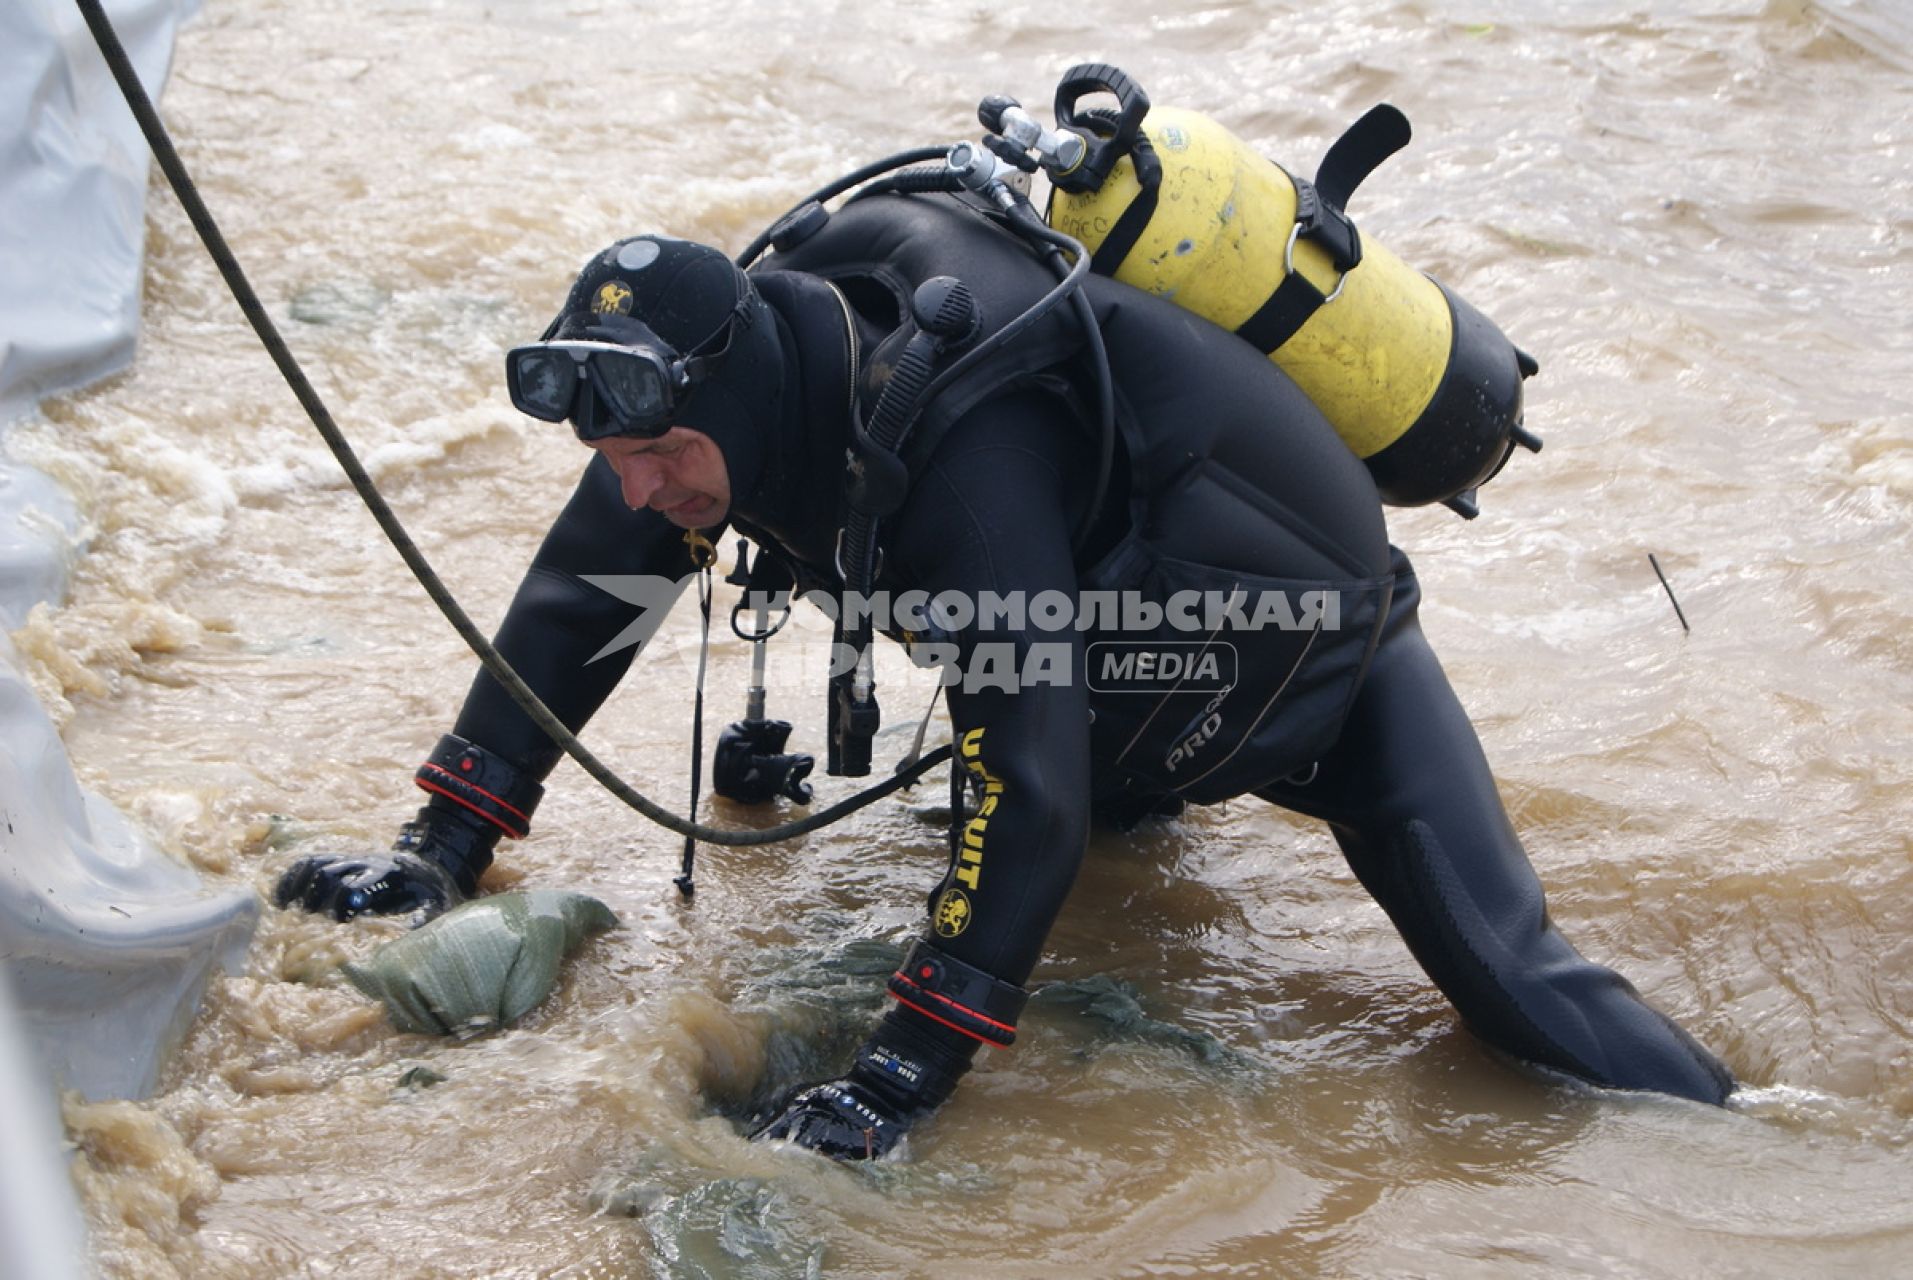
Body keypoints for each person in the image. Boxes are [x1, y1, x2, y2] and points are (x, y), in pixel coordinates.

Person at [275, 190, 1735, 1160]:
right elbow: (574, 604)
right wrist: (444, 846)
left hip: (1312, 666)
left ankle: (1788, 1148)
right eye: (617, 459)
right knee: (1058, 814)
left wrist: (900, 1077)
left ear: (726, 397)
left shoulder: (956, 446)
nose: (638, 487)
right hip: (1106, 684)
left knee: (1523, 998)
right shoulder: (710, 413)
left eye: (658, 456)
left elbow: (1023, 781)